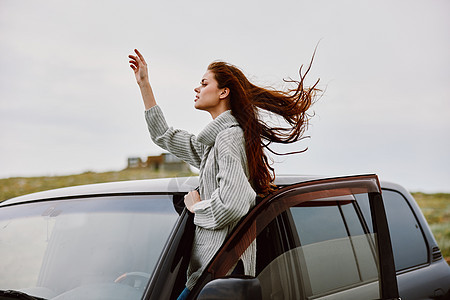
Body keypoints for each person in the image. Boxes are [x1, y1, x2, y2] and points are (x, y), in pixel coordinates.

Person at [128, 49, 319, 299]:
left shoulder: (229, 138)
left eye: (204, 83)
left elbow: (234, 203)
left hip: (221, 277)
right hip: (210, 276)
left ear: (223, 92)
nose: (197, 88)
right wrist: (144, 83)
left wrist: (197, 208)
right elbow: (163, 135)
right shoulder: (212, 145)